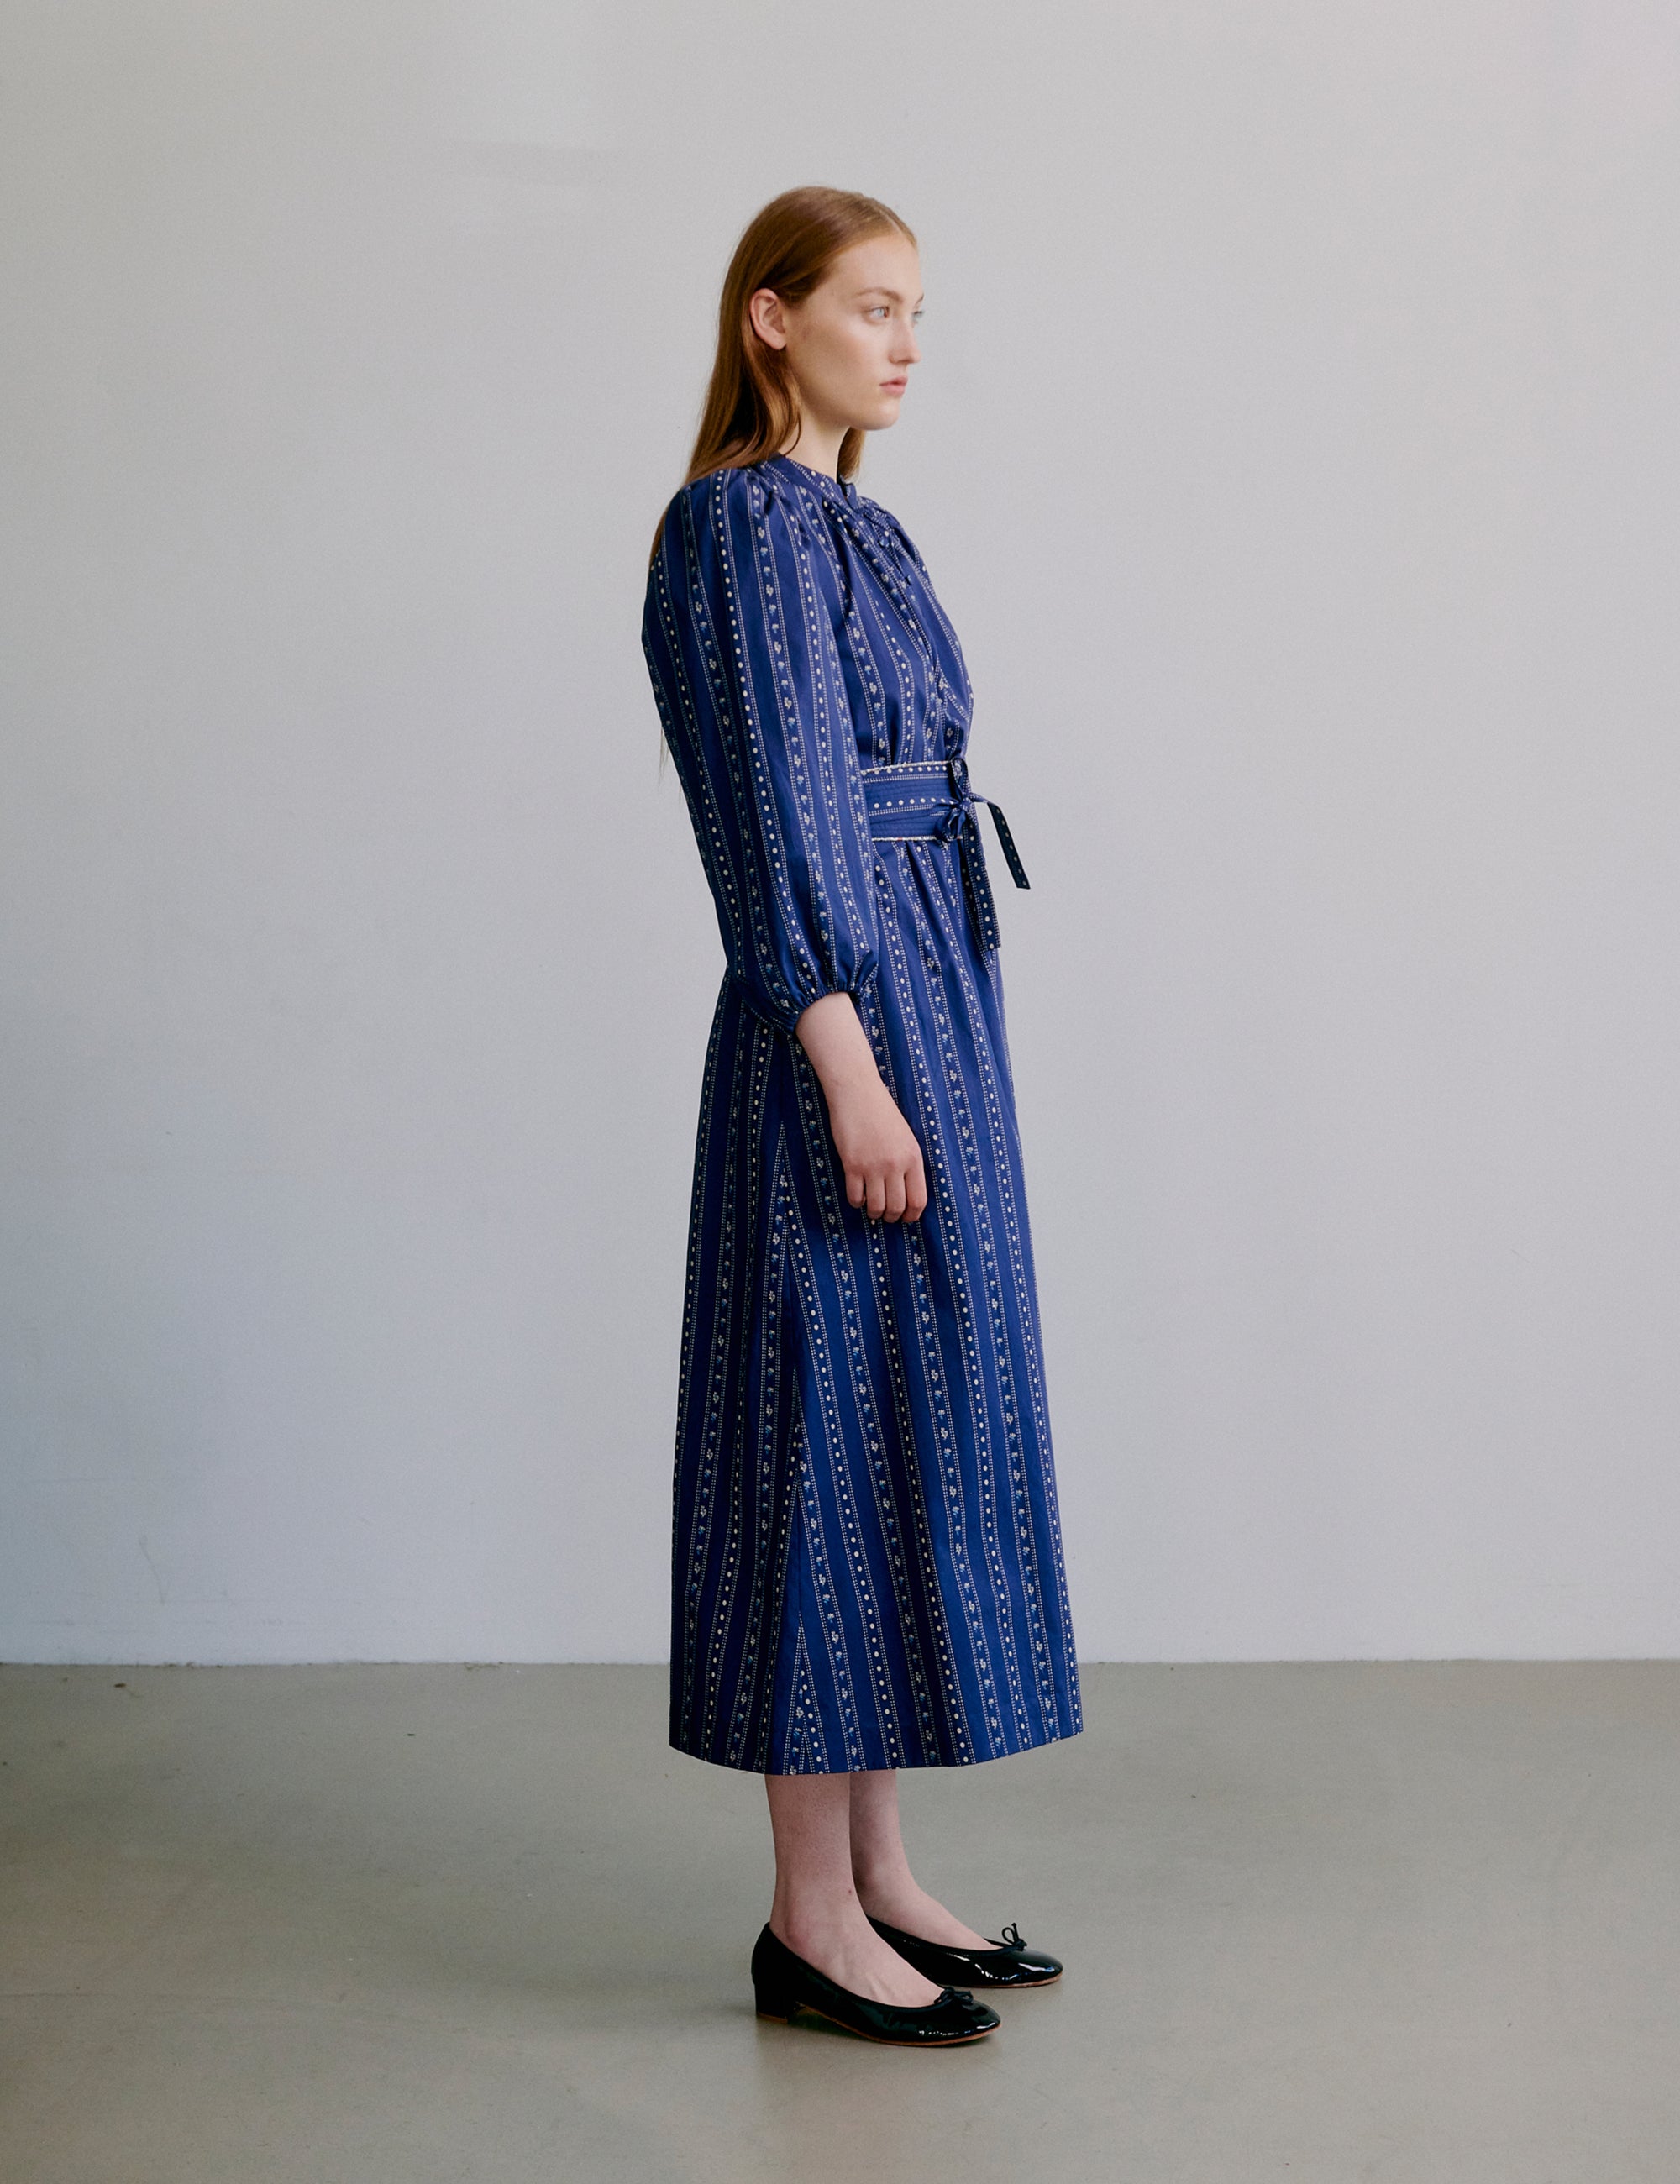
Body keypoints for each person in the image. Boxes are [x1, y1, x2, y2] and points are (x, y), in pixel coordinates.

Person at [641, 186, 1081, 2048]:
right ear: (770, 320)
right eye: (870, 306)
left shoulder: (857, 526)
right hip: (847, 1012)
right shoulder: (740, 528)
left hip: (926, 1001)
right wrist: (846, 1057)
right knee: (822, 1425)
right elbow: (774, 812)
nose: (905, 341)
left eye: (918, 311)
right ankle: (806, 1918)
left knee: (905, 1415)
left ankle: (882, 1872)